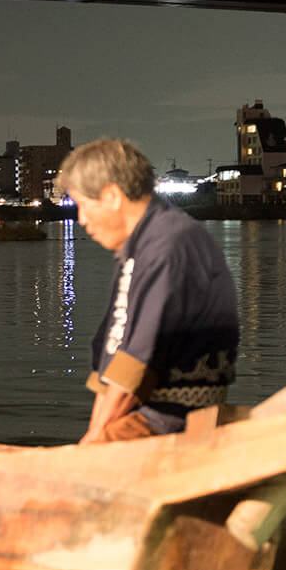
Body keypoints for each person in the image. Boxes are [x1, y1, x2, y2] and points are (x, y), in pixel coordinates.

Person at [58, 139, 238, 443]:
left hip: (171, 419)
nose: (82, 220)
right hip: (148, 414)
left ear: (113, 196)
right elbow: (115, 362)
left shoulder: (169, 246)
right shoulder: (145, 245)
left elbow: (137, 364)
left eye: (85, 206)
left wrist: (91, 444)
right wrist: (93, 435)